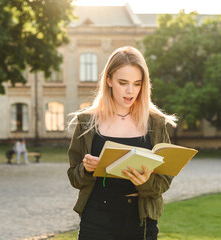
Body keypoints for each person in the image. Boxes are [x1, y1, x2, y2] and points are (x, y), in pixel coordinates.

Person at [67, 46, 177, 240]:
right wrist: (86, 169)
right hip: (96, 218)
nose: (130, 90)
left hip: (141, 220)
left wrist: (145, 183)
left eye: (137, 83)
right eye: (123, 82)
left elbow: (163, 182)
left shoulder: (156, 124)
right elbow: (74, 177)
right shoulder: (87, 122)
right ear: (109, 80)